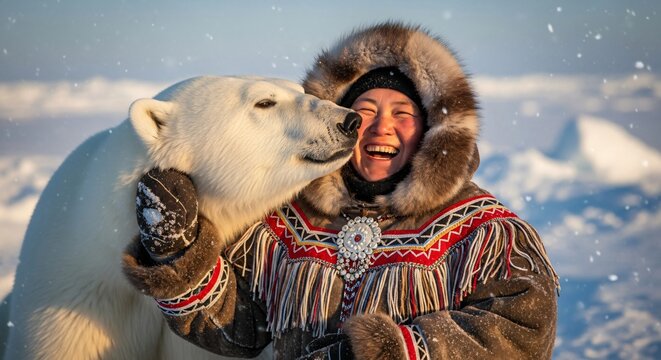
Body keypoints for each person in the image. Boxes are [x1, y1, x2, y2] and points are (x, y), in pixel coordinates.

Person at [123, 22, 559, 359]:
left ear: (434, 131)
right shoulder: (285, 224)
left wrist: (393, 350)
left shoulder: (486, 232)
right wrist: (180, 256)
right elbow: (240, 330)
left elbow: (523, 330)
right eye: (364, 110)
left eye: (402, 113)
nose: (380, 127)